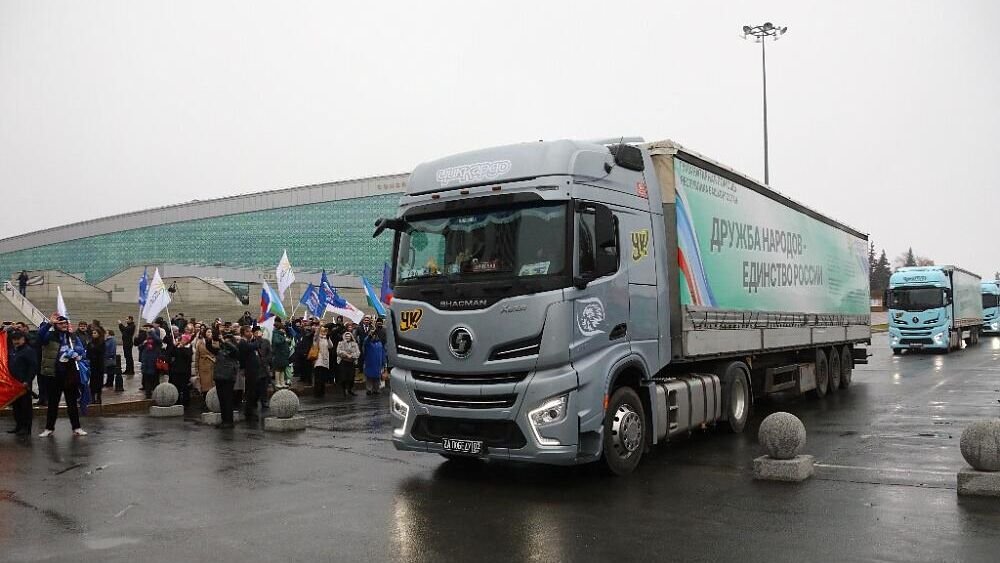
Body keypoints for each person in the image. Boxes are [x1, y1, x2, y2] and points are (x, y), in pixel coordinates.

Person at [37, 314, 88, 437]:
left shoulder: (72, 336)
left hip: (70, 373)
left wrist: (77, 354)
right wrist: (49, 323)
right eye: (61, 323)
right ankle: (49, 428)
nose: (64, 325)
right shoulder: (50, 336)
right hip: (54, 374)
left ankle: (76, 427)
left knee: (72, 403)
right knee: (53, 403)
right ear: (55, 325)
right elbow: (39, 337)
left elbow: (81, 350)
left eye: (65, 323)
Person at [7, 330, 36, 436]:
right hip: (13, 384)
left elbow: (32, 367)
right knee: (16, 406)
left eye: (18, 339)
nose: (16, 341)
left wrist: (27, 381)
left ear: (23, 339)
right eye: (14, 339)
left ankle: (26, 428)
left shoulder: (28, 350)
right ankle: (18, 426)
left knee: (25, 406)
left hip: (24, 383)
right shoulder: (12, 350)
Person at [213, 334, 240, 429]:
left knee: (227, 399)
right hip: (219, 376)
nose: (226, 342)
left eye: (228, 341)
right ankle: (224, 420)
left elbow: (235, 350)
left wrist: (225, 342)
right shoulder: (220, 350)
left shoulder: (233, 351)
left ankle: (229, 421)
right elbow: (210, 347)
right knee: (222, 400)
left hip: (228, 377)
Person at [237, 325, 262, 420]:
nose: (251, 333)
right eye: (248, 331)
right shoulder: (243, 342)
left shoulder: (247, 342)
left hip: (254, 369)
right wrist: (258, 338)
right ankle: (249, 412)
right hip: (250, 370)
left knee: (255, 390)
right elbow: (253, 346)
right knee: (251, 392)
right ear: (244, 333)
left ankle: (250, 410)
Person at [138, 323, 162, 399]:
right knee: (147, 378)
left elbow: (158, 340)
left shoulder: (156, 341)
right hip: (146, 362)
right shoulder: (146, 341)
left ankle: (156, 393)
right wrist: (143, 344)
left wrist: (152, 332)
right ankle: (148, 394)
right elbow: (140, 348)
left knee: (155, 379)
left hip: (154, 362)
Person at [169, 333, 193, 407]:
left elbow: (188, 356)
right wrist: (174, 346)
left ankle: (186, 403)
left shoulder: (188, 347)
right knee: (176, 387)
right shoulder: (177, 347)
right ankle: (177, 401)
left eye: (183, 339)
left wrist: (182, 347)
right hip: (176, 370)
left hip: (185, 371)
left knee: (185, 388)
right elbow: (171, 353)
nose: (182, 340)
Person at [311, 325, 336, 398]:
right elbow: (316, 336)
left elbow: (331, 346)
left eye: (324, 331)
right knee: (318, 377)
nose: (323, 332)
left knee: (323, 377)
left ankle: (322, 392)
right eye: (322, 331)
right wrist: (320, 326)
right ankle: (317, 393)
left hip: (325, 360)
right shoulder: (317, 338)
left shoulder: (326, 338)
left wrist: (328, 338)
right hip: (318, 359)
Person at [363, 324, 387, 395]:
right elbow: (365, 341)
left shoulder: (379, 343)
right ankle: (369, 390)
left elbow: (383, 353)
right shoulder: (368, 343)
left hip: (378, 363)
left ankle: (376, 389)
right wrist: (370, 335)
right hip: (369, 363)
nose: (374, 336)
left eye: (375, 335)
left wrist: (384, 363)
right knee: (369, 377)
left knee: (377, 377)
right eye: (373, 335)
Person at [335, 331, 360, 397]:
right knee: (343, 378)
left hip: (351, 362)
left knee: (351, 378)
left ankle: (350, 390)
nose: (347, 337)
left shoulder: (354, 344)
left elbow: (358, 353)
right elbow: (338, 352)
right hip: (343, 362)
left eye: (349, 336)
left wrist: (351, 356)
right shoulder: (341, 343)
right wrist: (346, 354)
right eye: (346, 336)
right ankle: (344, 390)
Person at [195, 328, 217, 396]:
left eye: (211, 332)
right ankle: (205, 400)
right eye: (208, 332)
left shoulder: (216, 342)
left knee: (213, 385)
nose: (210, 333)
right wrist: (196, 368)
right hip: (203, 366)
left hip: (213, 364)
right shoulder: (200, 342)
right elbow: (197, 356)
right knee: (205, 385)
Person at [86, 328, 105, 405]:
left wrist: (94, 348)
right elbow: (88, 354)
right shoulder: (90, 343)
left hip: (100, 365)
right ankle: (92, 397)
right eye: (93, 333)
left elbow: (102, 352)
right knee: (93, 382)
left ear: (99, 334)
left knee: (99, 382)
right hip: (92, 365)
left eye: (95, 333)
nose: (93, 334)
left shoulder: (102, 343)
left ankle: (99, 397)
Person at [271, 318, 292, 389]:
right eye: (282, 329)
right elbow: (277, 342)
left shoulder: (281, 334)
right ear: (279, 329)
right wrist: (284, 340)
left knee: (282, 369)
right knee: (278, 369)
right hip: (279, 355)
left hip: (283, 355)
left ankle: (282, 382)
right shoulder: (276, 334)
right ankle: (277, 382)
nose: (283, 330)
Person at [292, 320, 314, 385]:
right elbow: (295, 328)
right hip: (301, 353)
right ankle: (303, 378)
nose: (305, 328)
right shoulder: (302, 333)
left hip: (307, 353)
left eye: (307, 327)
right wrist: (293, 322)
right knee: (302, 366)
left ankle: (309, 381)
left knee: (308, 368)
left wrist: (306, 352)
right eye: (305, 326)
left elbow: (309, 344)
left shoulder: (310, 334)